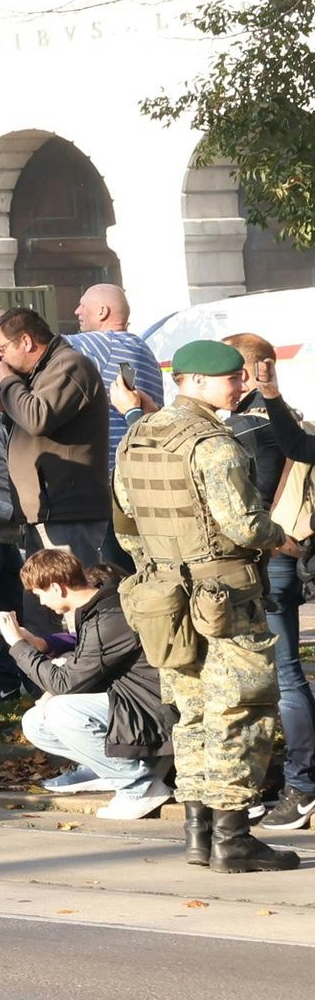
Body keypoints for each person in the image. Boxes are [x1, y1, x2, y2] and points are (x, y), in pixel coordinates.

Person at [116, 339, 299, 872]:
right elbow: (243, 524)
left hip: (164, 597)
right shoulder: (213, 445)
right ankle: (234, 839)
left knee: (191, 711)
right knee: (240, 710)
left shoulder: (137, 436)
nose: (240, 386)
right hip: (226, 597)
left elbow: (126, 523)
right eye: (229, 379)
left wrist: (165, 567)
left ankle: (198, 834)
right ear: (192, 382)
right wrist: (281, 537)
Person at [0, 547, 172, 822]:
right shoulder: (96, 610)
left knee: (62, 711)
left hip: (156, 712)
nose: (41, 602)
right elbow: (81, 663)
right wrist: (40, 649)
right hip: (136, 706)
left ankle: (139, 786)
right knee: (36, 722)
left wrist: (19, 647)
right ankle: (112, 769)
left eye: (40, 594)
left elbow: (66, 683)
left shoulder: (108, 616)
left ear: (57, 587)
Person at [221, 336, 315, 823]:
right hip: (270, 555)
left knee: (283, 675)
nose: (229, 381)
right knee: (279, 675)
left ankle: (301, 785)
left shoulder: (243, 427)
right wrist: (274, 397)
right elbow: (300, 445)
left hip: (270, 556)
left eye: (234, 370)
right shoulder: (279, 418)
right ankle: (298, 781)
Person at [0, 304, 116, 569]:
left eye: (2, 348)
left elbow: (37, 418)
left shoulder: (69, 366)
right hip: (44, 512)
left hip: (68, 512)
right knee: (44, 604)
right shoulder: (40, 373)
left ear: (26, 341)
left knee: (72, 598)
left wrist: (8, 382)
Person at [68, 284, 166, 458]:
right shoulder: (143, 348)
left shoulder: (103, 343)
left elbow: (44, 346)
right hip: (143, 458)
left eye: (82, 305)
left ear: (102, 312)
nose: (77, 311)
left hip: (114, 467)